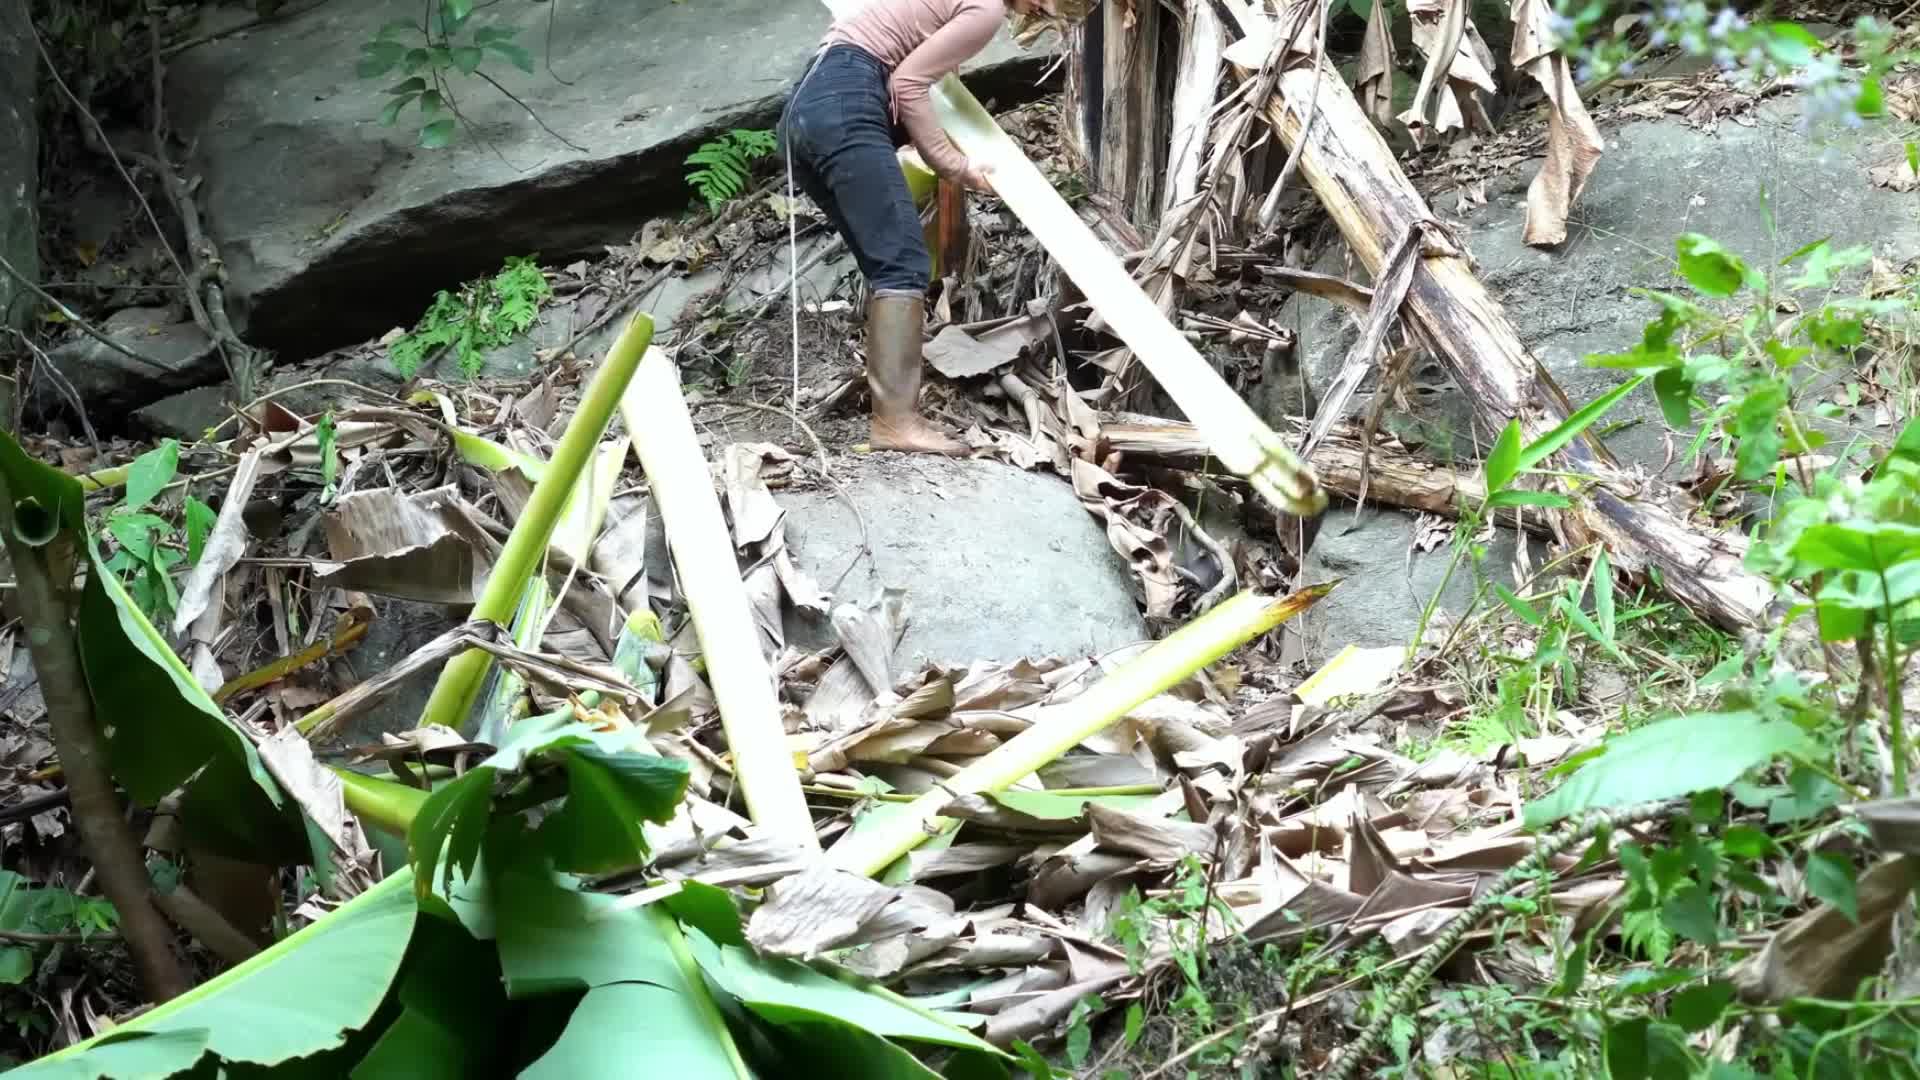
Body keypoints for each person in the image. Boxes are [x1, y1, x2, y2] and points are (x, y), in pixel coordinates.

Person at [778, 0, 1076, 455]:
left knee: (886, 266)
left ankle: (888, 409)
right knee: (902, 263)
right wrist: (956, 166)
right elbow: (907, 84)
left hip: (806, 106)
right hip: (846, 100)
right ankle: (896, 423)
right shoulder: (987, 8)